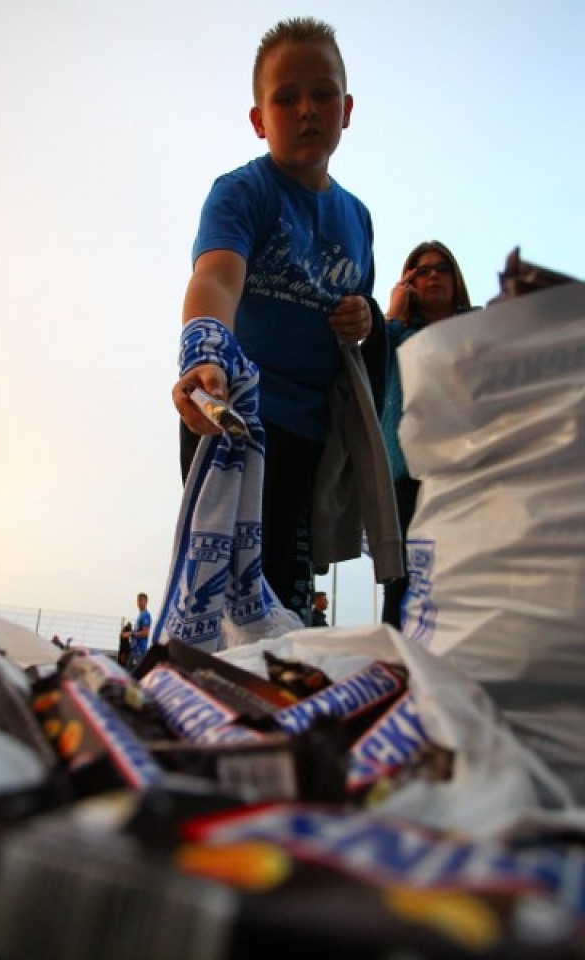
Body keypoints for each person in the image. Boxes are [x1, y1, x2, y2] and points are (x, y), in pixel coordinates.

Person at [173, 17, 388, 623]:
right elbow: (216, 275)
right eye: (286, 98)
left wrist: (363, 315)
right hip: (227, 412)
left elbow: (358, 314)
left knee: (283, 595)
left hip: (307, 435)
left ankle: (278, 708)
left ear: (346, 109)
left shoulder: (358, 219)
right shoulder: (243, 193)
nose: (306, 109)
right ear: (259, 119)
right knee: (214, 588)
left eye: (322, 94)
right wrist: (203, 352)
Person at [380, 240, 472, 629]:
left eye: (441, 268)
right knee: (403, 580)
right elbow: (365, 371)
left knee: (464, 576)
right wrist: (393, 314)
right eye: (422, 270)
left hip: (468, 470)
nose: (433, 275)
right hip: (407, 473)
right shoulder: (395, 337)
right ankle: (396, 675)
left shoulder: (478, 329)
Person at [119, 593, 152, 670]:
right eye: (138, 601)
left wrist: (130, 634)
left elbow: (145, 633)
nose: (139, 603)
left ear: (146, 602)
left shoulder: (146, 615)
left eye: (141, 601)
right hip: (133, 650)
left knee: (134, 675)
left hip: (139, 652)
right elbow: (137, 631)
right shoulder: (140, 615)